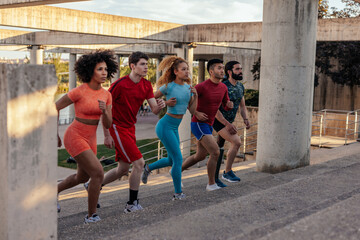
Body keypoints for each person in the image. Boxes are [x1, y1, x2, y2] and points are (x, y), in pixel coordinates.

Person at [56, 49, 118, 223]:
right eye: (100, 69)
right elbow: (55, 107)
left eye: (106, 69)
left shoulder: (107, 95)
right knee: (98, 172)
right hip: (74, 135)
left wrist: (105, 111)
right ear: (90, 70)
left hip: (91, 138)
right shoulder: (79, 91)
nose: (104, 72)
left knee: (82, 177)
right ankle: (91, 215)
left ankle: (54, 191)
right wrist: (55, 133)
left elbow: (107, 123)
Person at [100, 51, 165, 212]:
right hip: (117, 127)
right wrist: (107, 135)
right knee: (139, 163)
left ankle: (94, 185)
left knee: (122, 169)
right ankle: (131, 204)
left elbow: (154, 110)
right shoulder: (119, 85)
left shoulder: (147, 85)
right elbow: (105, 110)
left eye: (147, 65)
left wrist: (161, 105)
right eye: (142, 64)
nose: (146, 68)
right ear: (132, 66)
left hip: (130, 128)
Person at [141, 56, 198, 200]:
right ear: (175, 71)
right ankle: (178, 193)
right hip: (165, 125)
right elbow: (151, 97)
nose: (187, 72)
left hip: (174, 127)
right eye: (183, 69)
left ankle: (147, 168)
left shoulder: (188, 88)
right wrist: (165, 102)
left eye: (187, 69)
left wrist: (195, 96)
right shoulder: (168, 86)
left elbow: (192, 110)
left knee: (172, 160)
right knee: (178, 159)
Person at [181, 59, 233, 191]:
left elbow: (225, 106)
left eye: (223, 68)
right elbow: (188, 103)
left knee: (200, 156)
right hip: (198, 123)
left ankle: (176, 172)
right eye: (219, 68)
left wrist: (229, 106)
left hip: (209, 125)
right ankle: (211, 184)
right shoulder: (201, 87)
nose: (222, 70)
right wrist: (196, 113)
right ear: (211, 71)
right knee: (215, 152)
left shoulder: (223, 87)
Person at [213, 61, 251, 188]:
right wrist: (227, 124)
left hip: (229, 122)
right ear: (229, 72)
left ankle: (214, 177)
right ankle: (227, 172)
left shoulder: (240, 87)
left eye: (241, 69)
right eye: (237, 69)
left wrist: (245, 119)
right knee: (237, 142)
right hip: (218, 120)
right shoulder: (222, 86)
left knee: (215, 149)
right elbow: (215, 109)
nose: (240, 71)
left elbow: (242, 106)